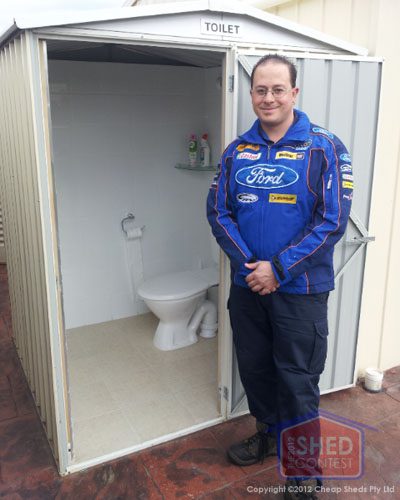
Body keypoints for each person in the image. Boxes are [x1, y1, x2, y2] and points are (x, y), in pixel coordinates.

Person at [206, 54, 353, 499]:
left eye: (277, 89)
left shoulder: (324, 148)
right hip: (249, 287)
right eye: (260, 90)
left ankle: (304, 473)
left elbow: (332, 220)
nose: (268, 98)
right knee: (255, 370)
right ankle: (268, 435)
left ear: (294, 92)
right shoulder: (237, 151)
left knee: (297, 381)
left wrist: (279, 268)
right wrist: (252, 268)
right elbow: (218, 212)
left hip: (301, 292)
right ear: (252, 94)